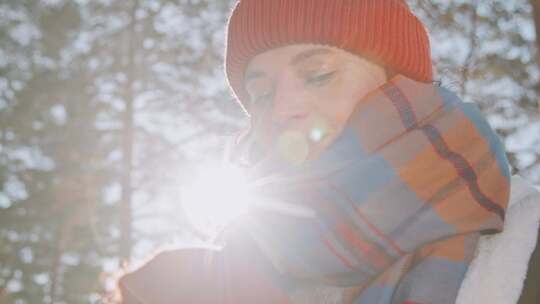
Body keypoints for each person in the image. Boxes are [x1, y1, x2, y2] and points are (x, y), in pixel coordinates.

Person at [118, 1, 540, 303]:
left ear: (400, 83)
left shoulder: (526, 236)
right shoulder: (216, 278)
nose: (283, 109)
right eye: (261, 93)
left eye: (318, 75)